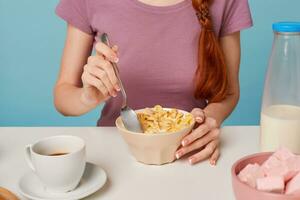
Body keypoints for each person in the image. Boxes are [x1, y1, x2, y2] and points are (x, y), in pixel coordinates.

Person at [54, 0, 252, 165]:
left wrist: (209, 120)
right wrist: (87, 97)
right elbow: (62, 97)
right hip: (114, 157)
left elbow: (229, 92)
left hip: (190, 154)